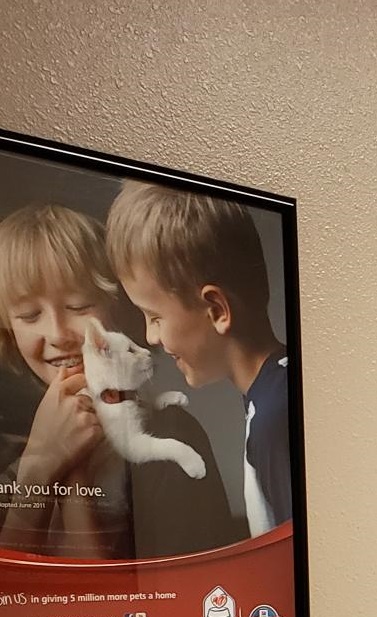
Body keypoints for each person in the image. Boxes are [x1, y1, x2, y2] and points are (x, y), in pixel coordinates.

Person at [0, 202, 238, 560]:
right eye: (29, 315)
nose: (58, 334)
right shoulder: (8, 459)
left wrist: (70, 469)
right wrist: (41, 464)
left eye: (79, 306)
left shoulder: (169, 435)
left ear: (117, 309)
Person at [107, 182, 290, 538]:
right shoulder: (276, 394)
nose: (150, 337)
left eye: (155, 316)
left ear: (217, 310)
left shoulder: (274, 421)